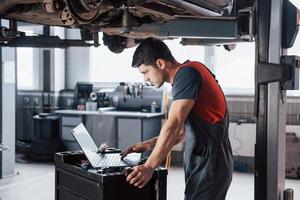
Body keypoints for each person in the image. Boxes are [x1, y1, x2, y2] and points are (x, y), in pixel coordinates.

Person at [121, 38, 233, 200]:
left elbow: (173, 125)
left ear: (160, 63)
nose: (145, 79)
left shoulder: (187, 74)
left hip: (210, 164)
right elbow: (181, 133)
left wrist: (149, 166)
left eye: (145, 72)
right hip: (206, 161)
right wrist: (148, 145)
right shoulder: (190, 72)